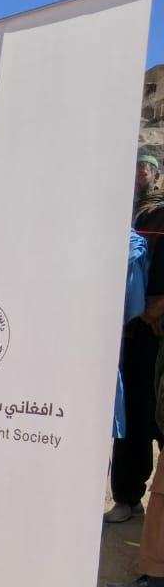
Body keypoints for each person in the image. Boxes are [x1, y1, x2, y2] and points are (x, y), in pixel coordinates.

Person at [106, 154, 164, 524]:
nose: (140, 173)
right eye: (136, 167)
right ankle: (128, 497)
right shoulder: (121, 213)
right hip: (129, 330)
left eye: (147, 167)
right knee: (133, 417)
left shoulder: (158, 213)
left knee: (155, 415)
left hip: (154, 330)